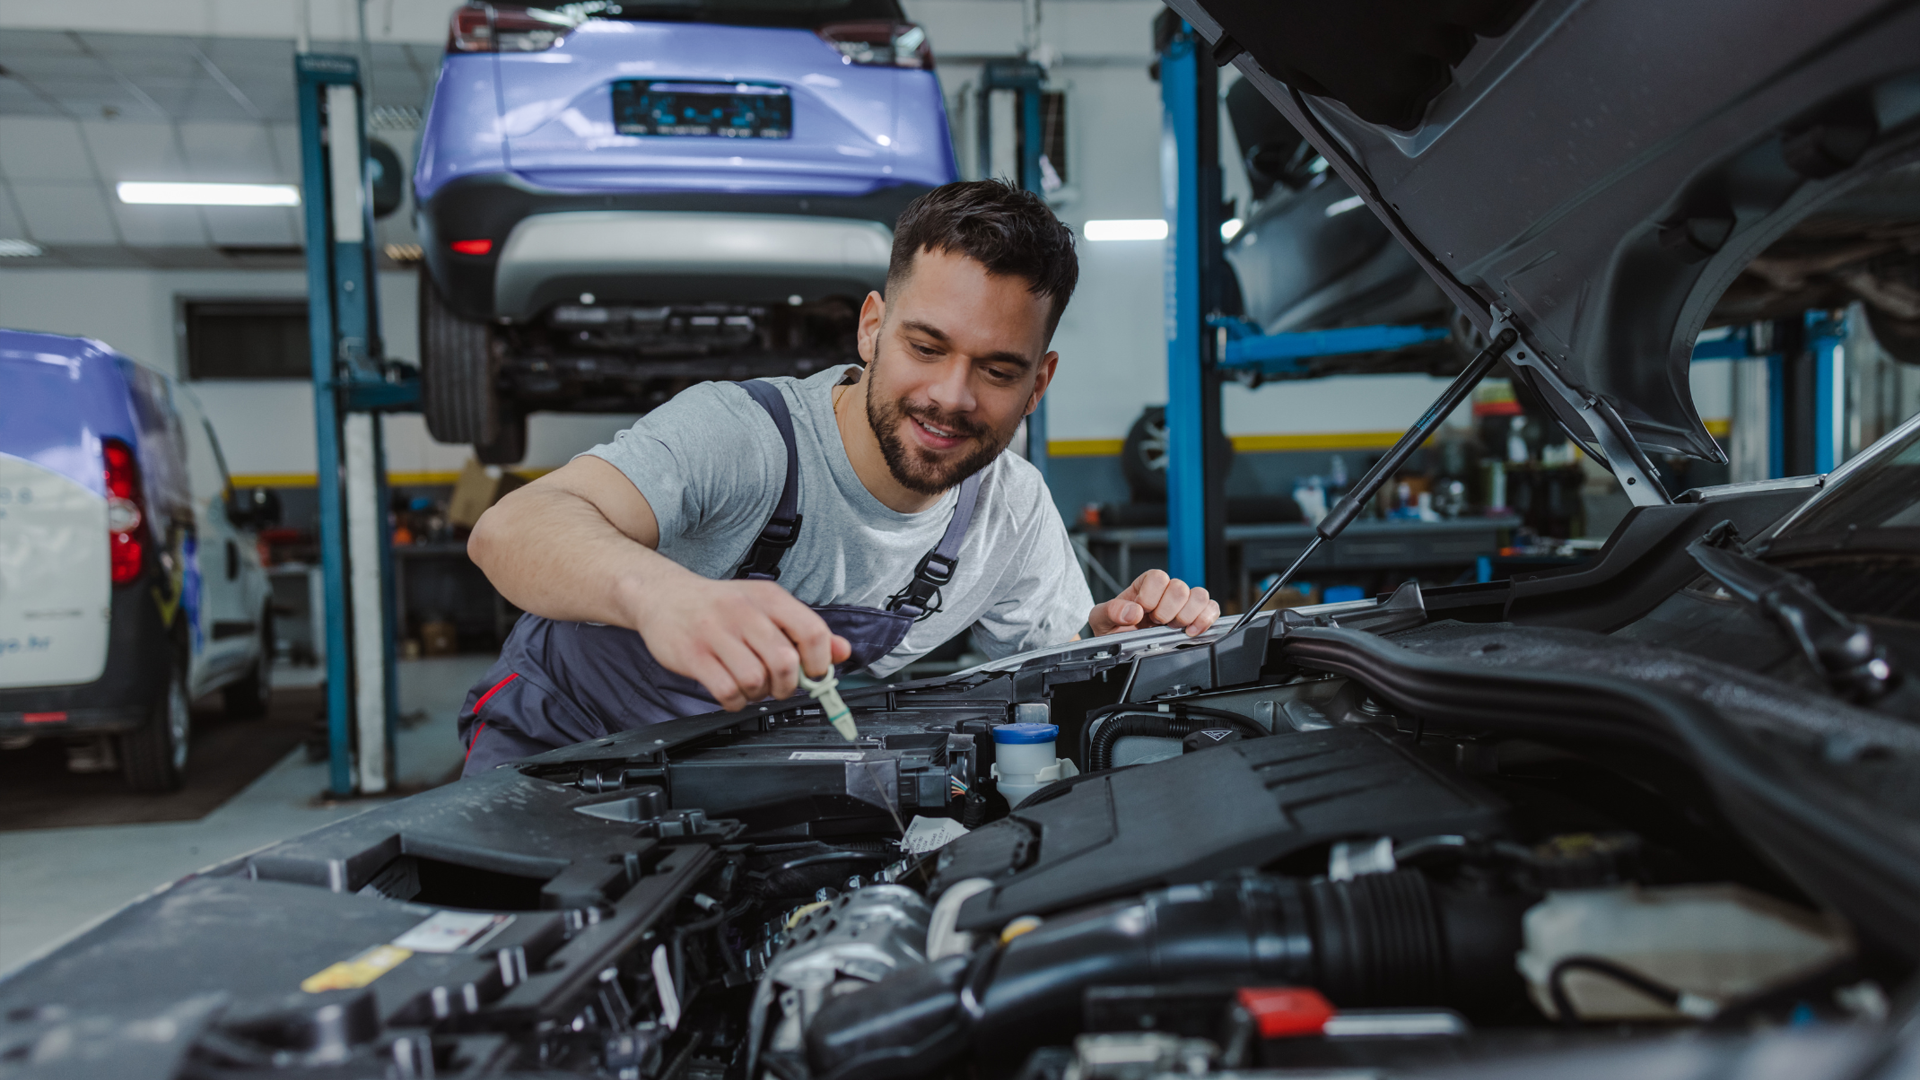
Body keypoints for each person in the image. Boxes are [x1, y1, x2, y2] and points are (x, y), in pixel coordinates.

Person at [457, 179, 1220, 774]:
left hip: (739, 775)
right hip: (559, 750)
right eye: (926, 347)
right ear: (872, 326)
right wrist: (666, 598)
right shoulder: (745, 438)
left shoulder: (1008, 514)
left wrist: (1114, 637)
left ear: (1038, 383)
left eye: (995, 369)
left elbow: (1056, 671)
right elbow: (512, 529)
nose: (951, 397)